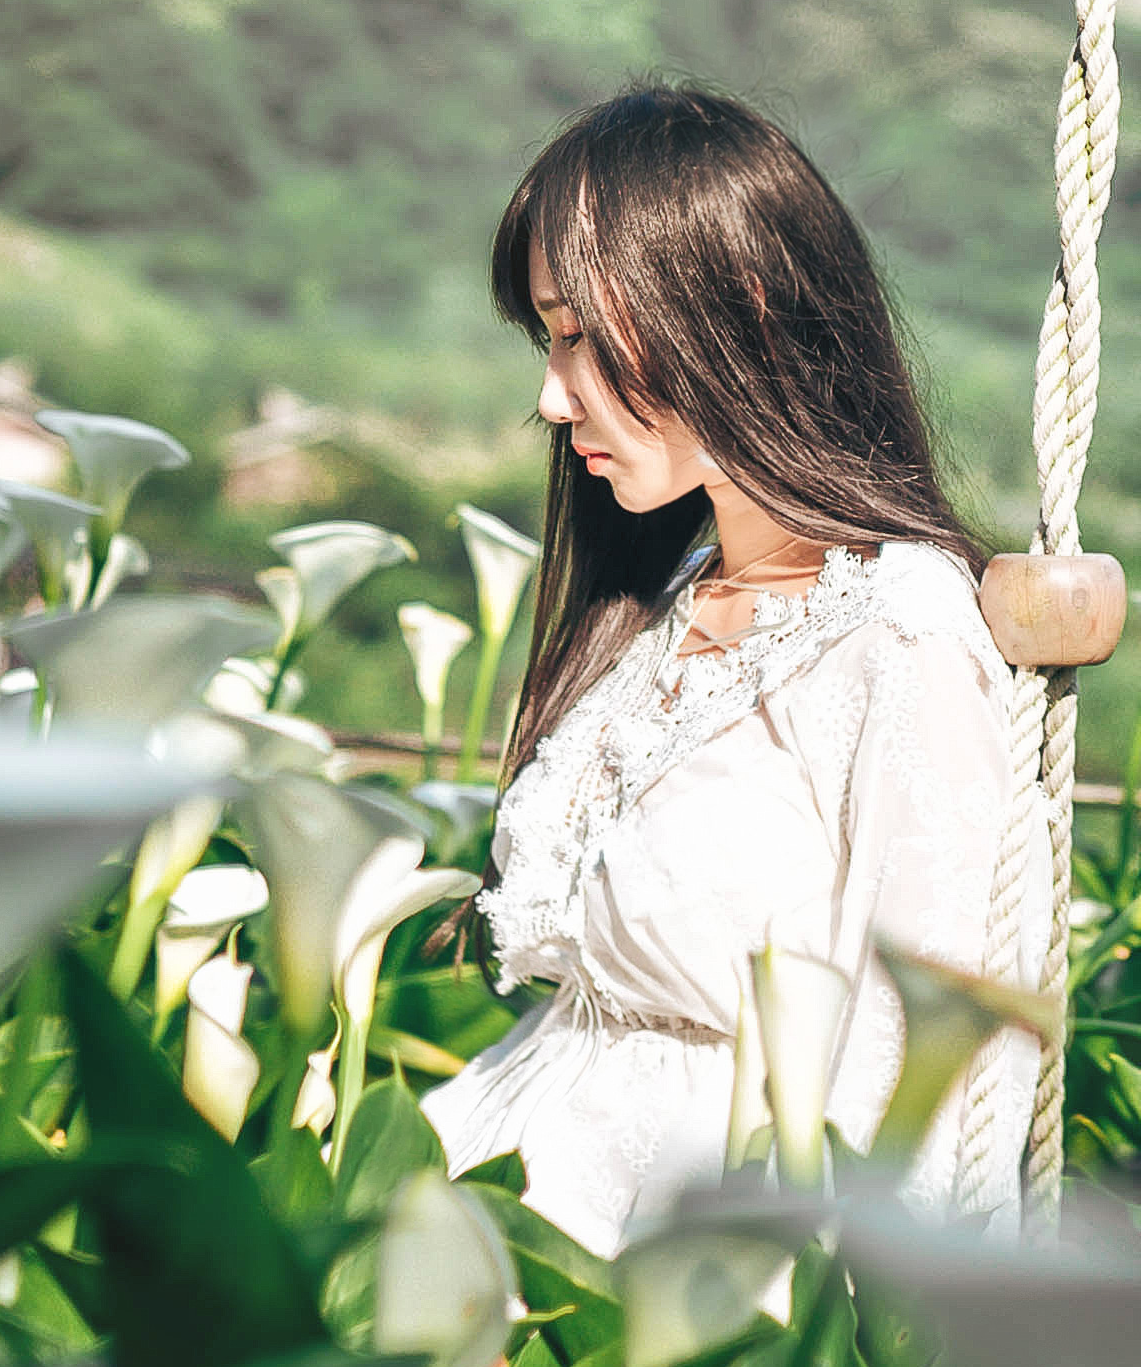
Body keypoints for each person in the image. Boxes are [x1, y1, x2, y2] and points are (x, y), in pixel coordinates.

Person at [422, 83, 1047, 1252]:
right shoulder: (666, 597)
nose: (550, 398)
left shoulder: (894, 635)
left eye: (576, 336)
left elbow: (948, 1069)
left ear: (742, 307)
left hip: (698, 1306)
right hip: (506, 1245)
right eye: (544, 340)